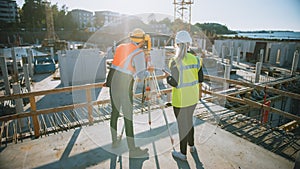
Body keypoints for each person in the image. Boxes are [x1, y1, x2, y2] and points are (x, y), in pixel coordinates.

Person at [105, 28, 149, 157]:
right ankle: (133, 149)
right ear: (142, 40)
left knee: (114, 112)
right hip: (125, 84)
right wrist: (147, 70)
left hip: (113, 82)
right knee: (128, 117)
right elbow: (141, 75)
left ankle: (114, 141)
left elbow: (120, 64)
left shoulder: (120, 47)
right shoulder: (138, 52)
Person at [166, 30, 203, 161]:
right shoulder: (196, 60)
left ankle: (182, 154)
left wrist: (168, 79)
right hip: (192, 98)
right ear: (189, 44)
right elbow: (200, 79)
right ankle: (191, 146)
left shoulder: (174, 61)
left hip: (180, 100)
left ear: (176, 44)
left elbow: (174, 83)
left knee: (182, 126)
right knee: (189, 122)